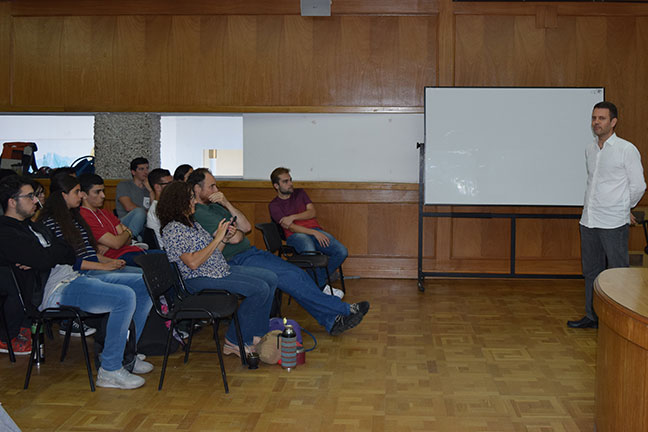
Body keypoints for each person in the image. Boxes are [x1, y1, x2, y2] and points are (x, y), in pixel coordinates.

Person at [0, 176, 147, 389]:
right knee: (124, 297)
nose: (36, 200)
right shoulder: (7, 232)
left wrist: (46, 256)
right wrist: (47, 256)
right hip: (51, 292)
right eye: (30, 196)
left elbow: (67, 250)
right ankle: (110, 369)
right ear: (12, 202)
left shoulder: (32, 228)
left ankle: (128, 354)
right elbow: (47, 257)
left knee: (142, 285)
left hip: (68, 278)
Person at [188, 168, 369, 336]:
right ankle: (343, 311)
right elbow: (235, 238)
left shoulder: (217, 206)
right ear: (197, 188)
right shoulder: (199, 212)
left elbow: (246, 227)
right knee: (291, 276)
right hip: (236, 260)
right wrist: (236, 232)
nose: (216, 189)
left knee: (296, 274)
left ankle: (332, 321)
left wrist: (226, 203)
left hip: (251, 253)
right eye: (211, 186)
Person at [37, 175, 153, 356]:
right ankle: (114, 359)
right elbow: (68, 261)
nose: (81, 195)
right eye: (77, 192)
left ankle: (130, 349)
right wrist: (103, 266)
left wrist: (107, 262)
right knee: (127, 292)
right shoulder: (52, 222)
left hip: (90, 268)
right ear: (62, 195)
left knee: (145, 282)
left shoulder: (73, 219)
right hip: (75, 276)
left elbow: (89, 253)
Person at [157, 181, 275, 353]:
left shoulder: (192, 224)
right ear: (178, 202)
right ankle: (234, 340)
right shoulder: (173, 229)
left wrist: (224, 239)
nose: (195, 202)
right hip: (196, 279)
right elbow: (193, 263)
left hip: (215, 270)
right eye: (191, 198)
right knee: (259, 289)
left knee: (270, 278)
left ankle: (256, 333)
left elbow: (212, 253)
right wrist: (217, 239)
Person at [568, 101, 646, 329]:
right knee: (591, 271)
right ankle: (593, 317)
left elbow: (639, 186)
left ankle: (618, 323)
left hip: (613, 222)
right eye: (594, 118)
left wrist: (625, 208)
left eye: (602, 118)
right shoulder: (590, 149)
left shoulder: (626, 149)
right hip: (589, 220)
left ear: (613, 122)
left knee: (617, 272)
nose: (596, 122)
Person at [269, 167, 347, 297]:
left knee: (341, 251)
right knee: (309, 249)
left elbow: (312, 212)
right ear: (276, 186)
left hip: (315, 231)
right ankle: (321, 287)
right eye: (285, 181)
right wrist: (313, 233)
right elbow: (292, 228)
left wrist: (293, 217)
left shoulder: (300, 193)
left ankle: (313, 282)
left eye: (290, 180)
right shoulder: (274, 205)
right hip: (295, 236)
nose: (290, 184)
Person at [78, 173, 151, 267]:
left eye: (103, 191)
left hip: (129, 250)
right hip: (117, 257)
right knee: (162, 262)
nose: (103, 195)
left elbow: (127, 241)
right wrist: (128, 232)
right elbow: (116, 244)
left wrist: (122, 237)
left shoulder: (105, 212)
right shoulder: (84, 215)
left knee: (162, 256)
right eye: (97, 192)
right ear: (84, 195)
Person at [115, 157, 151, 237]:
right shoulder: (124, 185)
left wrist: (151, 191)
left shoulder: (149, 189)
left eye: (147, 168)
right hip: (126, 223)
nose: (146, 172)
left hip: (146, 224)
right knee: (139, 212)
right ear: (133, 172)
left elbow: (155, 209)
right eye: (141, 169)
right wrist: (148, 214)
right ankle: (130, 239)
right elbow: (128, 207)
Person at [146, 168, 173, 248]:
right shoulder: (158, 209)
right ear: (157, 187)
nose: (172, 187)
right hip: (167, 252)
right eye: (168, 184)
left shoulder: (167, 206)